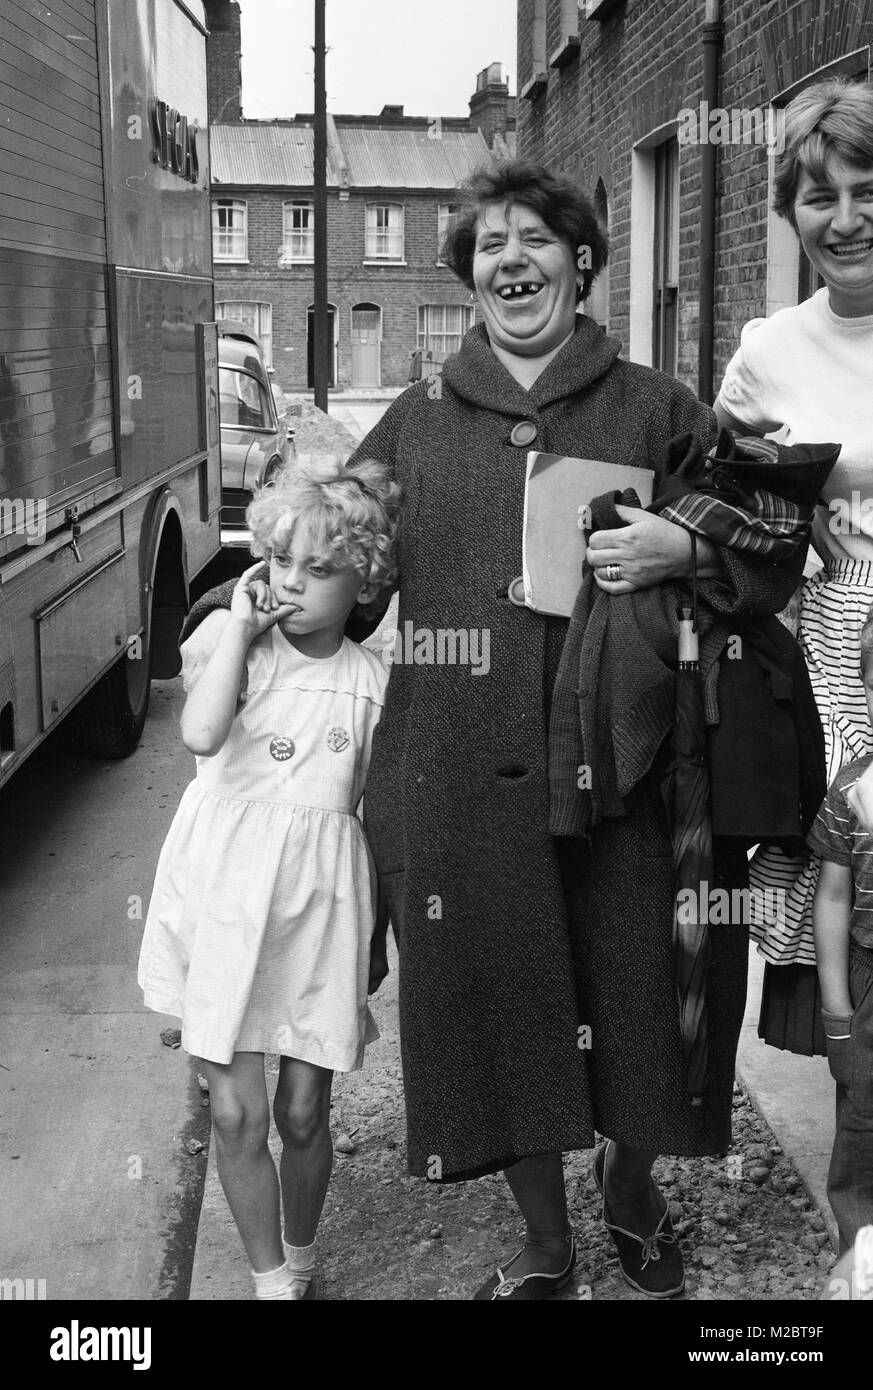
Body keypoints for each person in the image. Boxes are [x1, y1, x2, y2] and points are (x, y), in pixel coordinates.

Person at [183, 162, 805, 1300]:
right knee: (498, 1000)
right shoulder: (413, 424)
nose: (512, 260)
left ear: (582, 260)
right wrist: (266, 586)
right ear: (467, 275)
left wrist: (684, 550)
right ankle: (544, 1235)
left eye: (537, 239)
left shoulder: (662, 407)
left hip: (632, 763)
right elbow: (344, 580)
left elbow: (767, 557)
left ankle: (629, 1187)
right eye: (490, 247)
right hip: (458, 769)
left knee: (636, 992)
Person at [138, 458, 399, 1300]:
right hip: (223, 898)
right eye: (281, 559)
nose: (292, 582)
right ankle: (271, 1282)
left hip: (315, 910)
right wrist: (243, 631)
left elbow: (370, 807)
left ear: (364, 582)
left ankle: (303, 1249)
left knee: (301, 1112)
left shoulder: (373, 683)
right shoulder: (233, 649)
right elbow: (202, 737)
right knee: (235, 1112)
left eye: (320, 570)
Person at [714, 79, 873, 1054]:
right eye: (822, 195)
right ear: (792, 213)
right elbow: (722, 503)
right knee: (848, 922)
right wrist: (777, 509)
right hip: (833, 665)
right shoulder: (768, 351)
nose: (848, 219)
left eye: (870, 190)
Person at [808, 601, 873, 1253]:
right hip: (865, 981)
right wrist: (835, 1008)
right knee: (861, 1123)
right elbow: (831, 895)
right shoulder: (849, 789)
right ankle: (861, 1250)